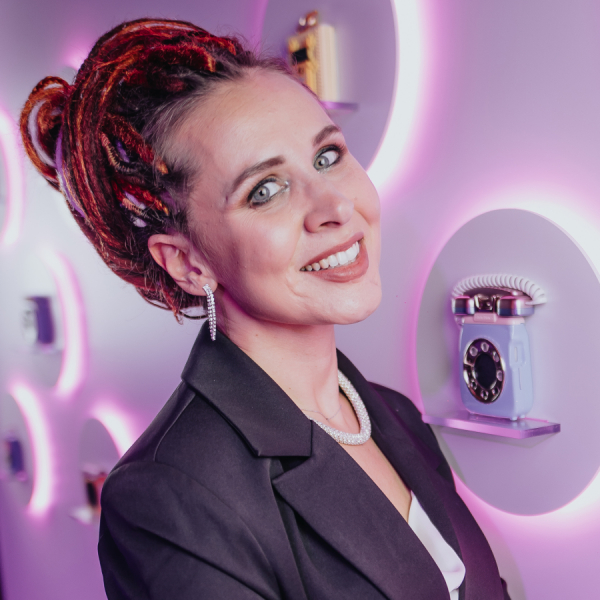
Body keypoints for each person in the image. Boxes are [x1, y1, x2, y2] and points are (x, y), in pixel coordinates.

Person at [20, 18, 510, 600]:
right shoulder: (168, 497)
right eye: (266, 190)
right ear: (188, 262)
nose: (335, 206)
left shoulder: (393, 414)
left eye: (327, 156)